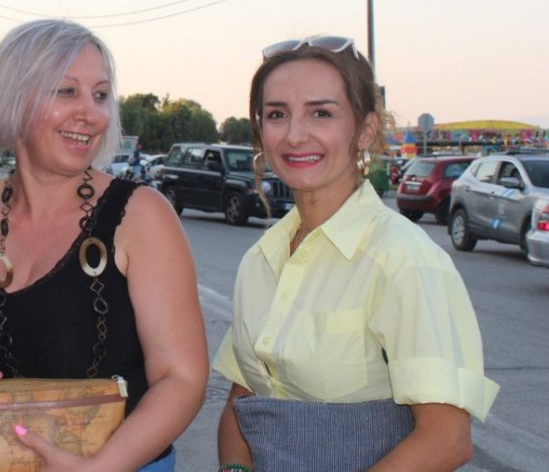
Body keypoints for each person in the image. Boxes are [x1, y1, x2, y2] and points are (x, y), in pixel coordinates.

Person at [0, 19, 208, 471]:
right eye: (67, 91)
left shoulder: (142, 216)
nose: (93, 114)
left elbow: (181, 378)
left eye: (100, 95)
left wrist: (99, 468)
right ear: (12, 97)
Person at [214, 36, 499, 471]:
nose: (294, 135)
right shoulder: (261, 259)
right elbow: (243, 399)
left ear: (365, 130)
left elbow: (446, 440)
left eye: (321, 113)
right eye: (277, 114)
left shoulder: (403, 259)